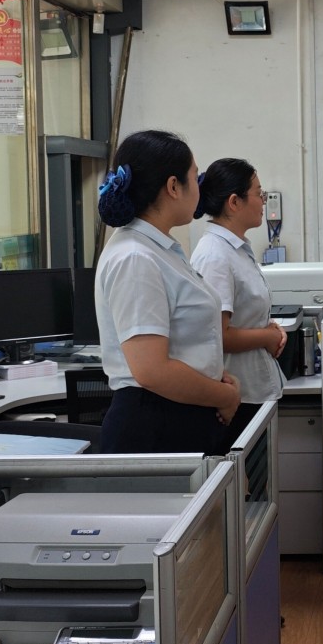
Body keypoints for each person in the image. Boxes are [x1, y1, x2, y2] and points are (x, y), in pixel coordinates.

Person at [94, 129, 241, 455]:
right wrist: (224, 395)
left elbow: (181, 342)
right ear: (174, 186)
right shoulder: (135, 257)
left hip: (180, 413)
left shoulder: (160, 249)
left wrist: (214, 376)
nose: (200, 187)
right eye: (195, 176)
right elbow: (152, 371)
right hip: (154, 424)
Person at [191, 157, 287, 440]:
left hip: (253, 389)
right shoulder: (215, 255)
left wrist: (270, 329)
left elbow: (244, 314)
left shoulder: (235, 248)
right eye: (259, 194)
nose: (263, 201)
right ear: (234, 202)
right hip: (237, 396)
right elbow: (218, 336)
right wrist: (267, 336)